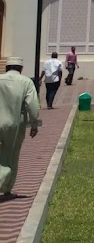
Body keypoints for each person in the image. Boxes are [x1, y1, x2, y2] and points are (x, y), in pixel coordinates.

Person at [1, 57, 41, 202]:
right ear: (21, 69)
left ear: (7, 68)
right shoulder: (26, 82)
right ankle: (6, 189)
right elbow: (33, 106)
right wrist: (34, 124)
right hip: (14, 124)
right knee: (10, 156)